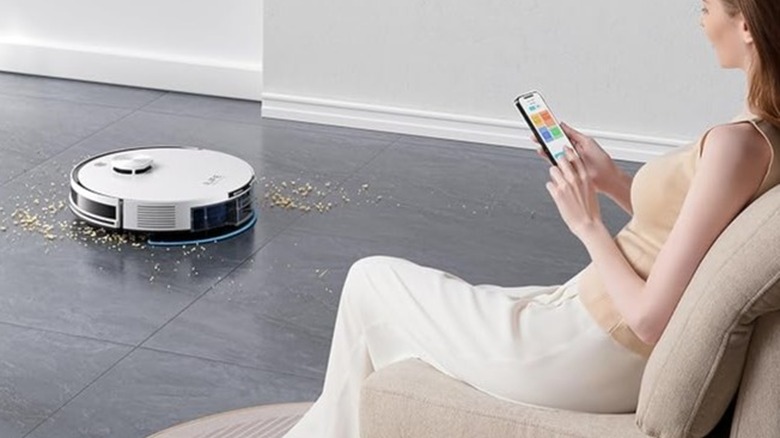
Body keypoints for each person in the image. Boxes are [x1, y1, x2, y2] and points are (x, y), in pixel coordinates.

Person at [283, 1, 780, 436]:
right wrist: (610, 182)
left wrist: (588, 225)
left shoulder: (734, 146)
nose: (700, 20)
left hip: (588, 350)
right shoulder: (763, 139)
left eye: (708, 7)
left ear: (747, 27)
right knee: (425, 305)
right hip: (590, 329)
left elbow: (650, 320)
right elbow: (688, 238)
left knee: (369, 280)